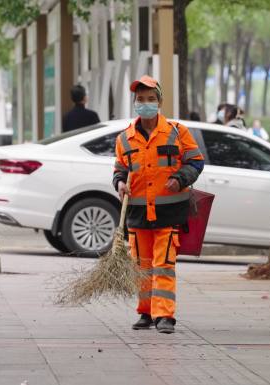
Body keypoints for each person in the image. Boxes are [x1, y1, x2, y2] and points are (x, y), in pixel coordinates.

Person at [113, 75, 205, 334]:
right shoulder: (124, 139)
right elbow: (120, 169)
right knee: (141, 267)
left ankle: (164, 316)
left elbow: (196, 162)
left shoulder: (177, 132)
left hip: (169, 213)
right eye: (140, 99)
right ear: (135, 103)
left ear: (160, 101)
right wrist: (119, 184)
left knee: (164, 265)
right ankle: (145, 313)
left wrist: (179, 178)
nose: (145, 104)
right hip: (138, 214)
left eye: (150, 99)